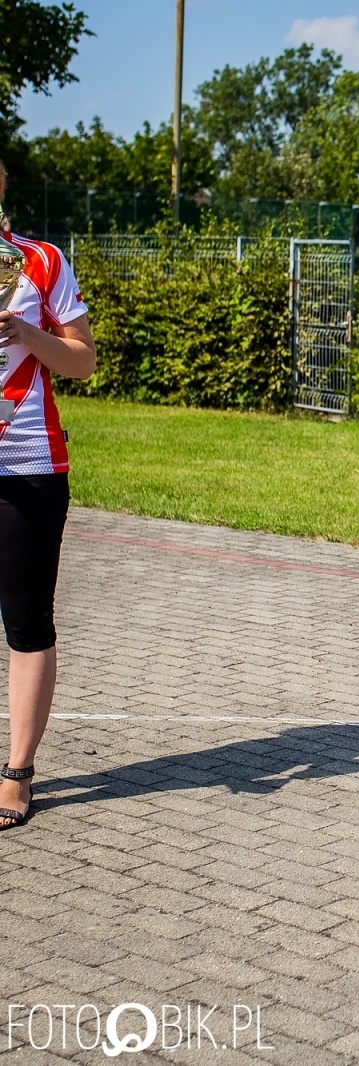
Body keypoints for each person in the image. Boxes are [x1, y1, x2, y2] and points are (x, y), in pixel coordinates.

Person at [0, 162, 98, 830]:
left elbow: (83, 360)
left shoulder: (40, 262)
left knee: (26, 619)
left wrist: (26, 334)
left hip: (27, 461)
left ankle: (16, 774)